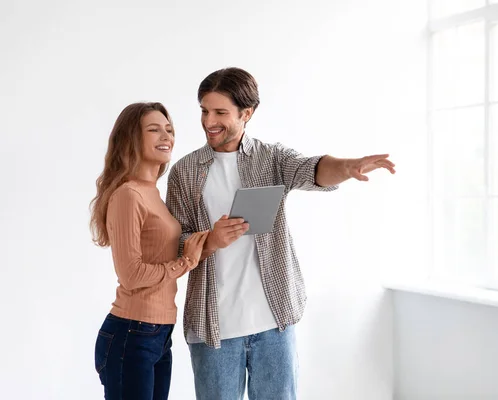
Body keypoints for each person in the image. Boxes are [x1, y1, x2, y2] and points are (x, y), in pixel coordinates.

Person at [166, 68, 395, 400]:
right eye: (204, 110)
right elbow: (174, 242)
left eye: (220, 112)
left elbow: (309, 168)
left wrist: (347, 167)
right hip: (214, 329)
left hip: (273, 325)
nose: (208, 121)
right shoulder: (185, 171)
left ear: (247, 114)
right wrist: (209, 241)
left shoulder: (271, 158)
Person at [90, 102, 209, 400]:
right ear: (132, 138)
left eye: (169, 130)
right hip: (132, 333)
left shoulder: (152, 192)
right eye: (154, 130)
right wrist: (185, 263)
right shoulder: (128, 194)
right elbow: (131, 274)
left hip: (158, 333)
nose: (166, 136)